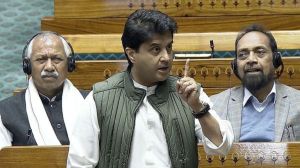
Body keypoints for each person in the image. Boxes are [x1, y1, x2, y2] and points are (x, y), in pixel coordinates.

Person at [67, 9, 233, 168]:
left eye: (169, 47)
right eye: (156, 49)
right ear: (132, 54)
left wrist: (198, 108)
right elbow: (80, 163)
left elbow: (222, 146)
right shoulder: (100, 98)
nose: (166, 57)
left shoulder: (189, 93)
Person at [210, 24, 300, 142]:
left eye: (260, 52)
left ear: (275, 60)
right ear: (235, 65)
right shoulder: (215, 106)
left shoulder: (297, 103)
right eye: (243, 55)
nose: (251, 60)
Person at [0, 32, 88, 148]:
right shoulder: (6, 111)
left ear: (69, 64)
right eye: (41, 59)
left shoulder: (91, 102)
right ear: (28, 66)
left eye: (57, 59)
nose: (49, 67)